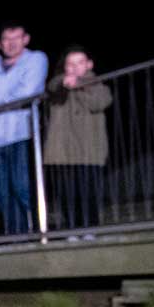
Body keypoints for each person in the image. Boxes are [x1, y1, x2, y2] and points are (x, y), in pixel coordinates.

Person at [0, 21, 48, 235]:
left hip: (21, 134)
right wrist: (5, 101)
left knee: (23, 187)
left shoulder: (36, 60)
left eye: (17, 38)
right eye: (7, 39)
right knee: (2, 193)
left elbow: (28, 92)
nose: (12, 43)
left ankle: (40, 231)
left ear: (26, 39)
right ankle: (18, 236)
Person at [43, 46, 113, 233]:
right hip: (63, 151)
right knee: (67, 192)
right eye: (70, 64)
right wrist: (65, 84)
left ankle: (90, 228)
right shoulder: (59, 85)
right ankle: (72, 228)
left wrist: (80, 86)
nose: (75, 68)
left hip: (89, 150)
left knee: (89, 191)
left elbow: (99, 102)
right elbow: (52, 86)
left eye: (80, 62)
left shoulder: (99, 86)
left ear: (89, 64)